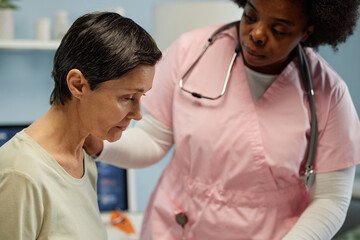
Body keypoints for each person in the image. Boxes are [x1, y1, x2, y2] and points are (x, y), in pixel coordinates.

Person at [84, 0, 360, 239]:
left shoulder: (328, 94)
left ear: (307, 31)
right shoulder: (190, 53)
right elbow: (153, 141)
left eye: (279, 29)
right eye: (250, 16)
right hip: (179, 228)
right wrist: (101, 146)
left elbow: (330, 199)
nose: (257, 34)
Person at [0, 12, 161, 239]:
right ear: (78, 85)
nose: (137, 114)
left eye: (142, 96)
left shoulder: (83, 159)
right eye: (127, 98)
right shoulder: (20, 174)